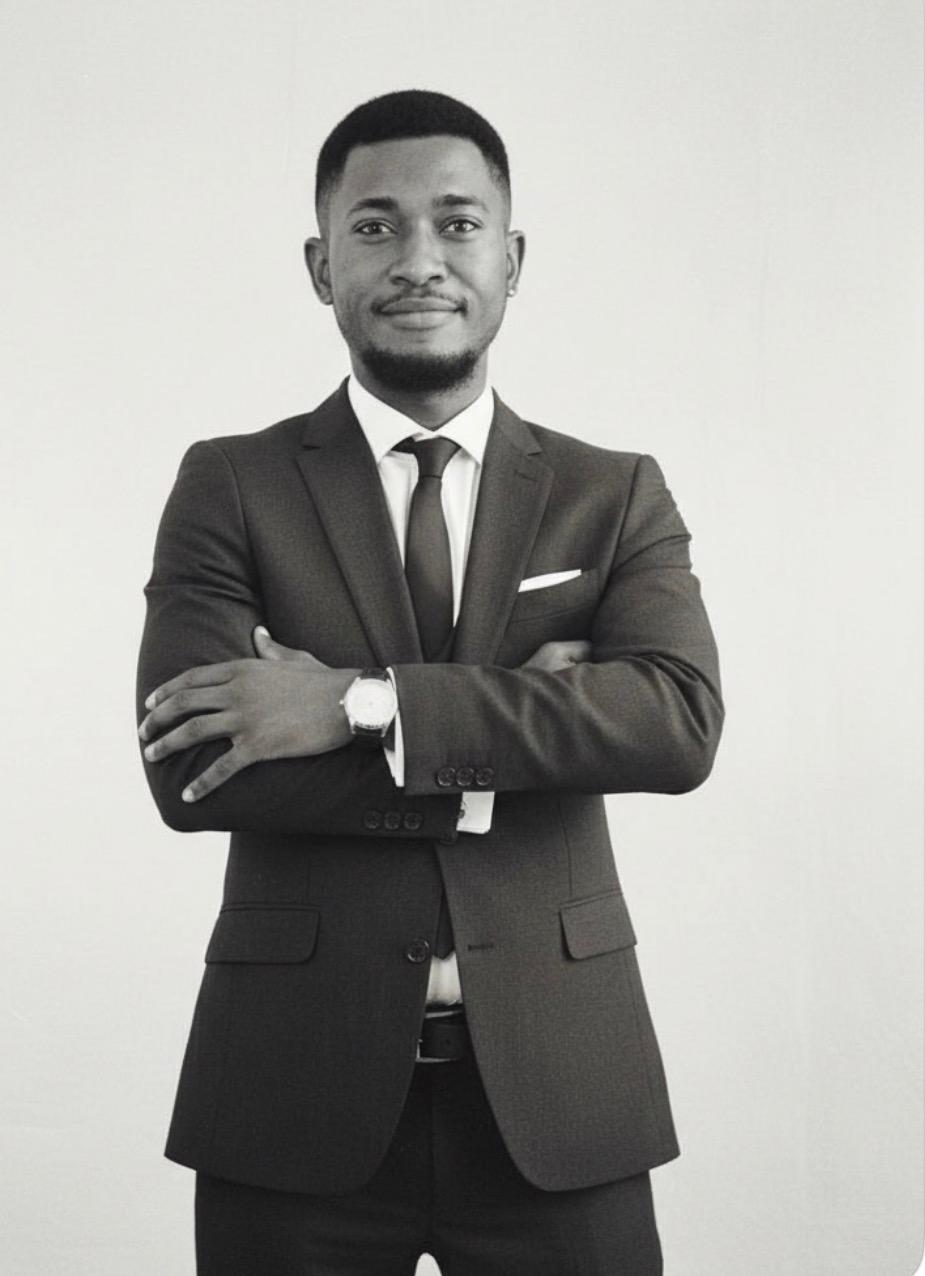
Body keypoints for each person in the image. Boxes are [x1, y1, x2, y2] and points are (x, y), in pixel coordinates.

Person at [136, 88, 723, 1276]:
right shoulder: (231, 485)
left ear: (511, 258)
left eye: (457, 224)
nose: (418, 260)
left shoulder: (612, 493)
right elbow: (197, 770)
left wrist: (356, 707)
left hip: (563, 1086)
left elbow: (672, 723)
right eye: (375, 226)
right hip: (291, 1090)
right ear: (321, 265)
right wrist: (524, 734)